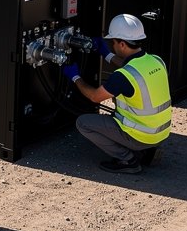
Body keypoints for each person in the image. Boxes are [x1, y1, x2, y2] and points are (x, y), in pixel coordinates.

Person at [62, 13, 172, 175]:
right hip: (161, 133)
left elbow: (94, 96)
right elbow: (131, 67)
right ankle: (147, 151)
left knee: (83, 123)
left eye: (113, 42)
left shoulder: (123, 77)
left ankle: (128, 160)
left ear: (121, 44)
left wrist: (75, 77)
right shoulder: (156, 60)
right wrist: (107, 55)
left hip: (141, 135)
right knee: (118, 108)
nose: (112, 45)